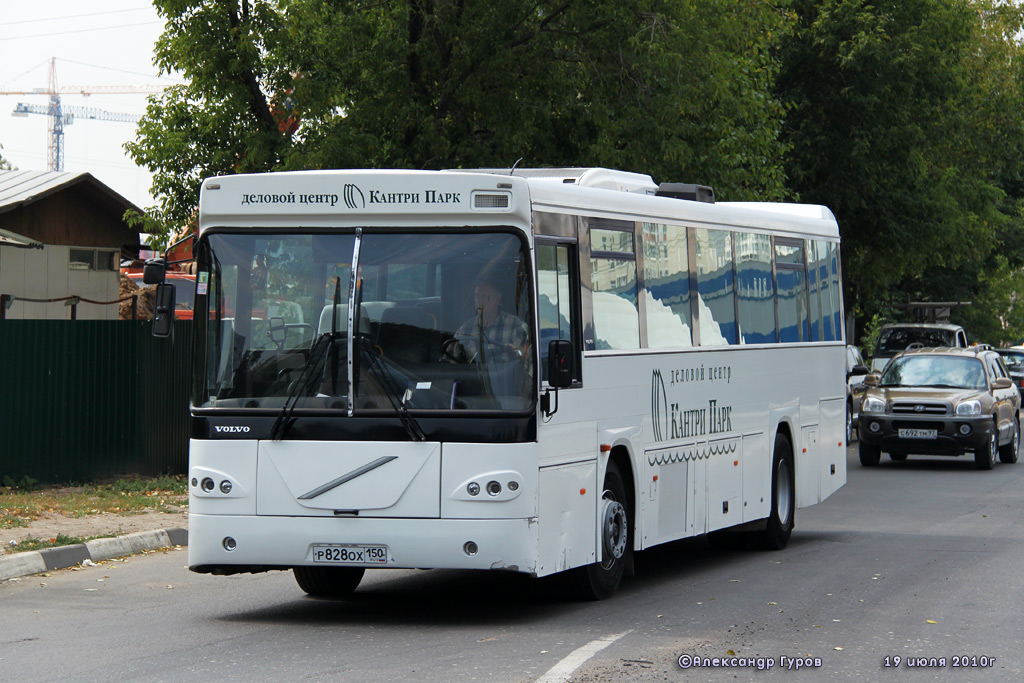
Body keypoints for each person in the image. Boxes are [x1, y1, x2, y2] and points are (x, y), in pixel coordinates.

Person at [447, 276, 529, 364]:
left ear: (497, 299)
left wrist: (515, 352)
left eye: (484, 296)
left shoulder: (514, 326)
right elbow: (449, 361)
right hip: (472, 376)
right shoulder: (466, 329)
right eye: (476, 295)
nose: (478, 300)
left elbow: (525, 361)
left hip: (505, 376)